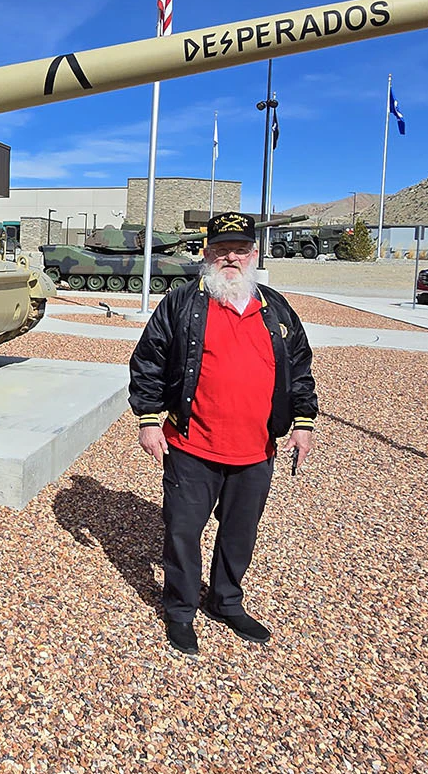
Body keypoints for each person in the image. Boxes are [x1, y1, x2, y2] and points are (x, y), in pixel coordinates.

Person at [128, 212, 318, 650]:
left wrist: (303, 424)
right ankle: (180, 609)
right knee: (182, 530)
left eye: (240, 250)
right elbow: (149, 362)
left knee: (240, 532)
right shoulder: (180, 303)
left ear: (253, 255)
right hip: (192, 445)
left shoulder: (277, 309)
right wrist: (148, 419)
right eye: (220, 250)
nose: (230, 258)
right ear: (206, 254)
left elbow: (300, 369)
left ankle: (226, 601)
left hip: (255, 449)